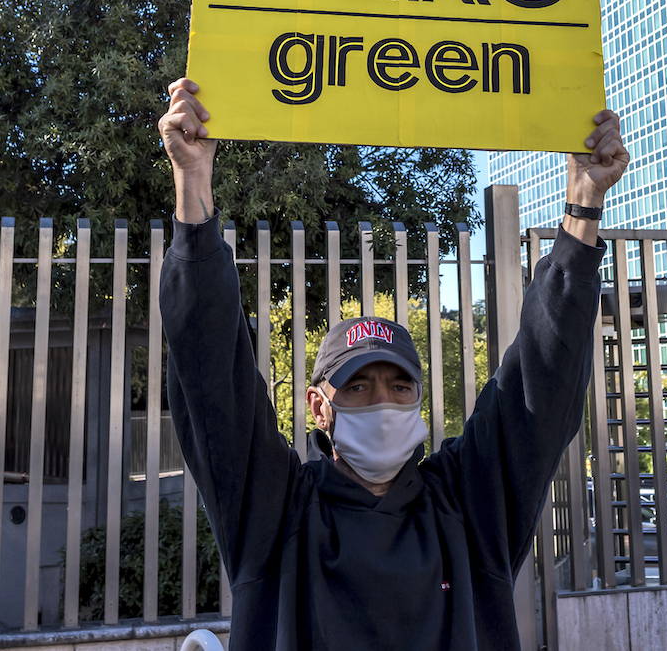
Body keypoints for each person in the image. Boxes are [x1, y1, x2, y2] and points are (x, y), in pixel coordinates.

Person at [155, 78, 629, 651]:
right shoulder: (276, 511)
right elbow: (213, 376)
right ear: (318, 407)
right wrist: (192, 181)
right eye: (358, 387)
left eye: (401, 386)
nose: (383, 401)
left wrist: (583, 210)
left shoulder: (467, 502)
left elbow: (542, 384)